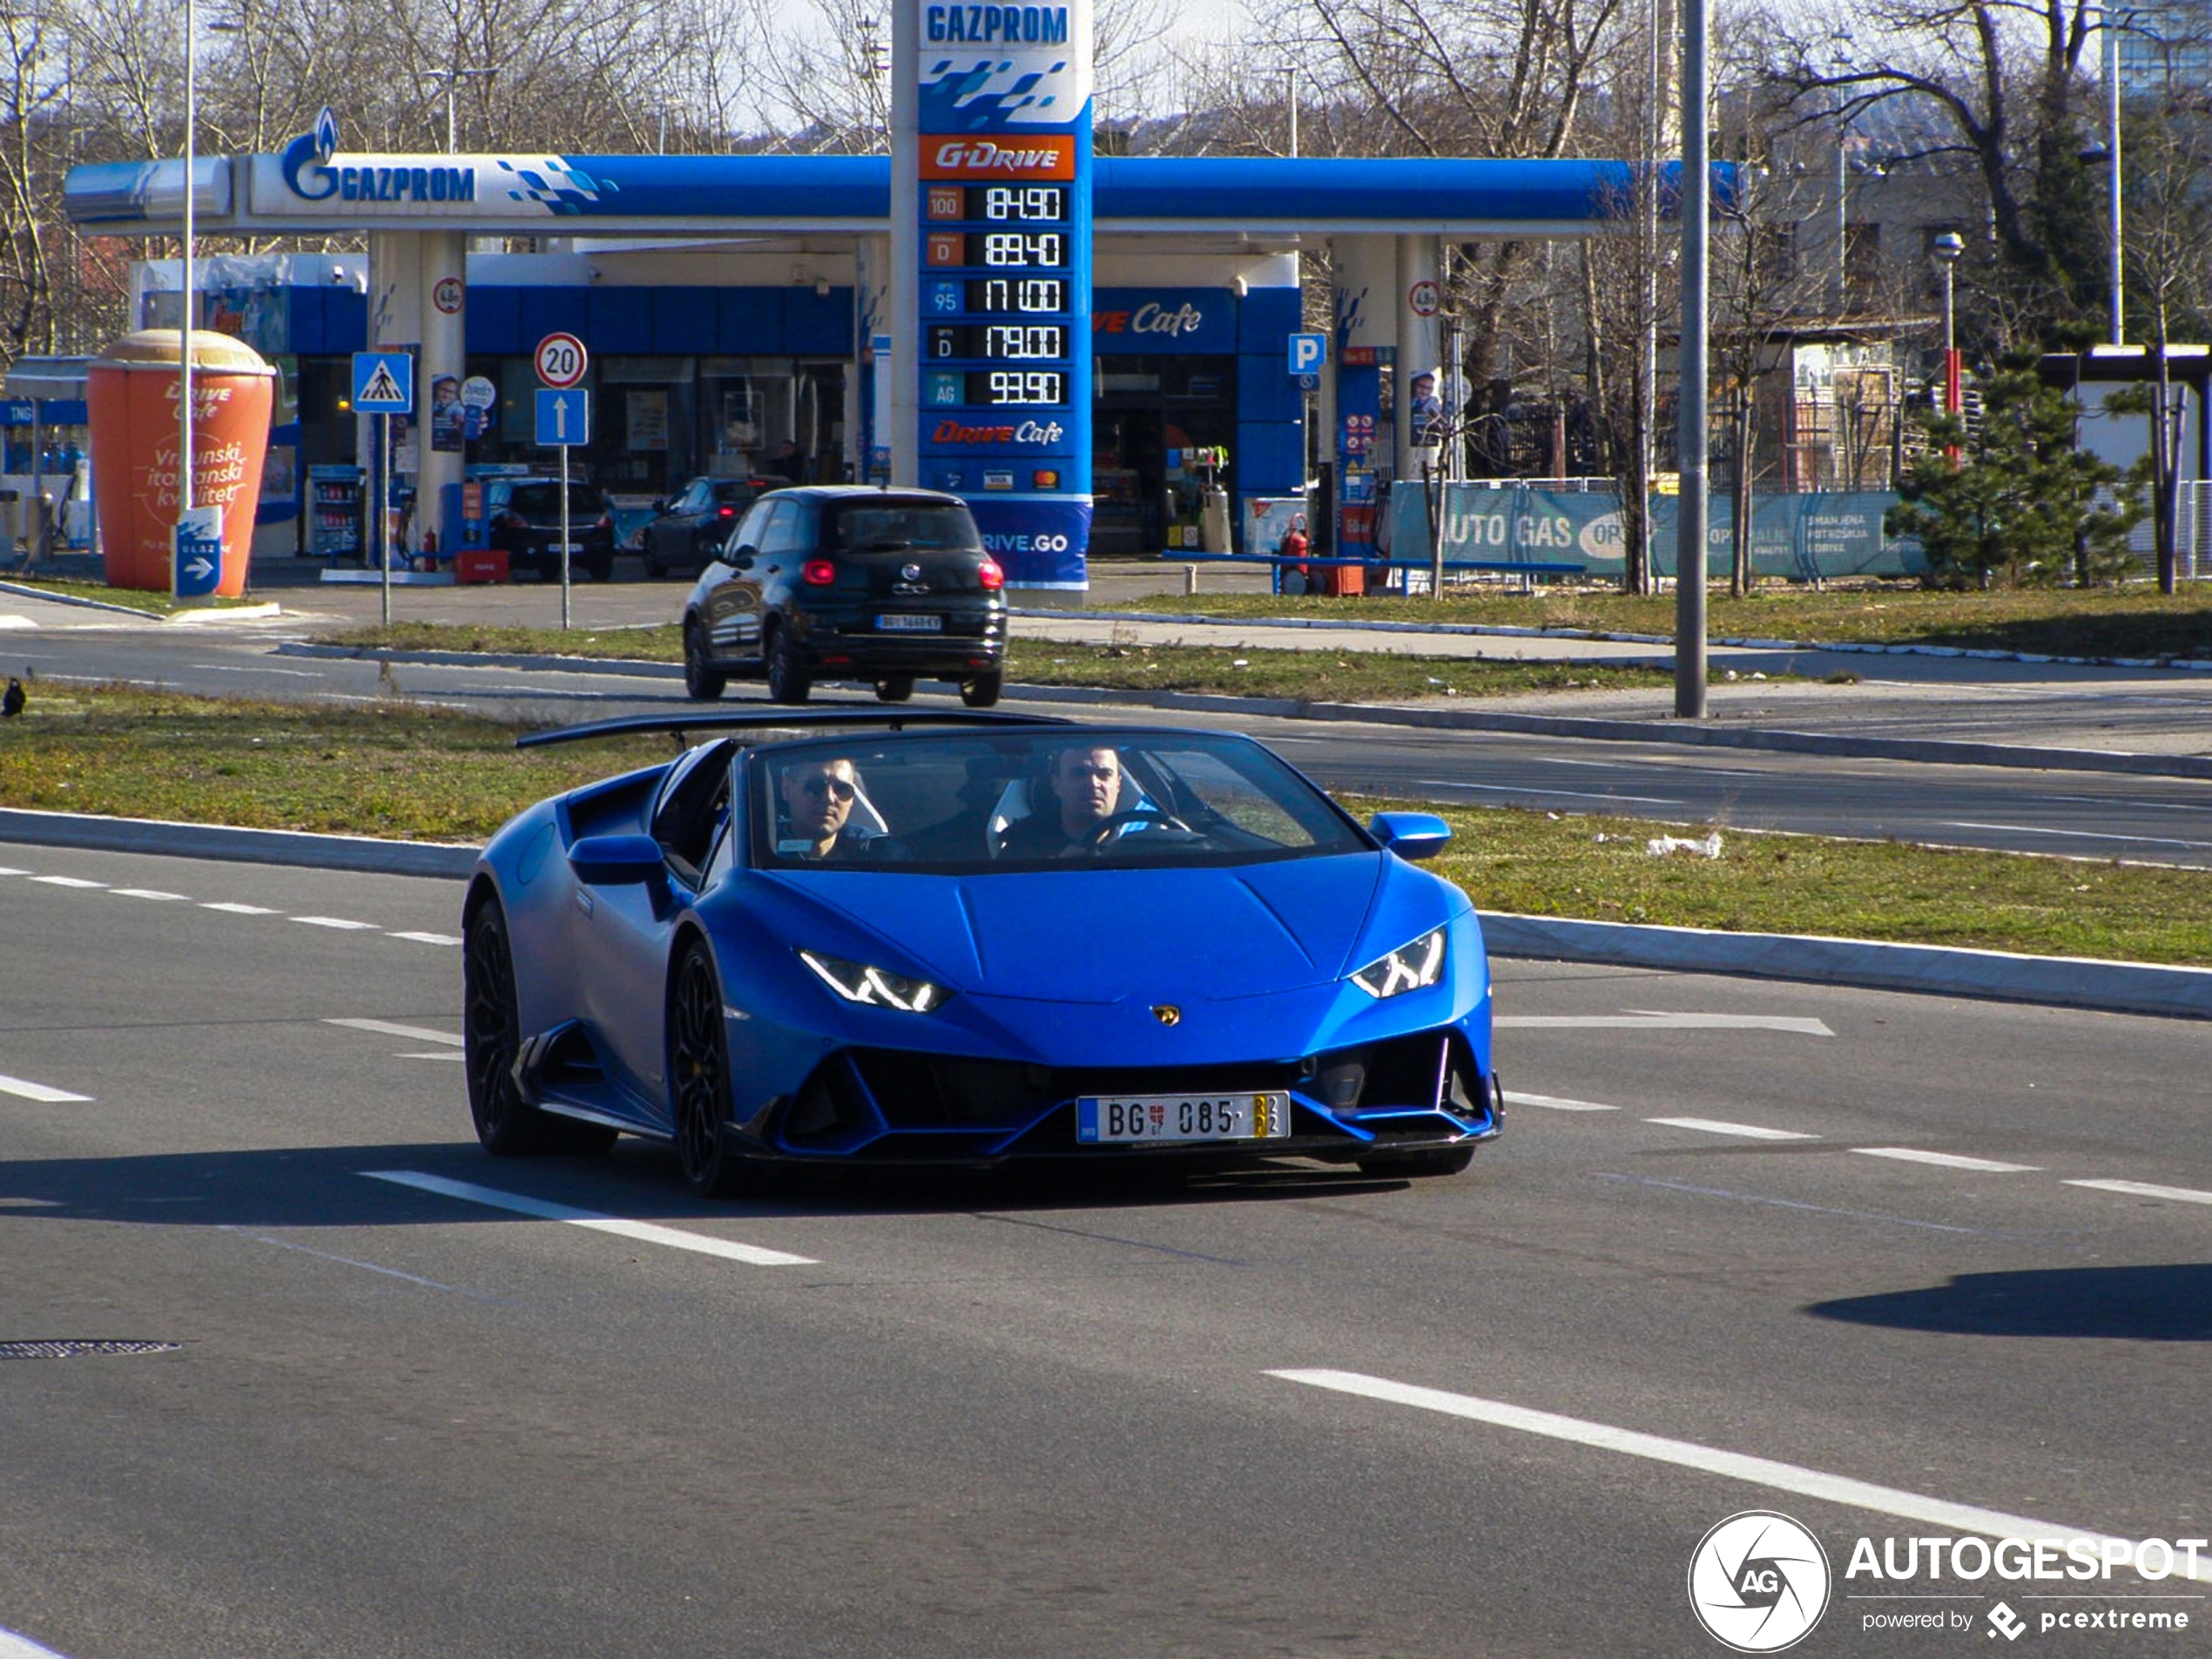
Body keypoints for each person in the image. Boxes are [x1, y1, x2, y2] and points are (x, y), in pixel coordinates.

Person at [997, 744, 1124, 857]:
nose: (1093, 784)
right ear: (1056, 784)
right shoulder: (1024, 848)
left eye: (1104, 774)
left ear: (1118, 784)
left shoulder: (1140, 847)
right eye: (1078, 774)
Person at [777, 755, 894, 860]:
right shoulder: (761, 849)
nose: (829, 799)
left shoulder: (879, 852)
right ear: (786, 789)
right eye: (815, 786)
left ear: (852, 798)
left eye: (842, 789)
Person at [1410, 370, 1445, 448]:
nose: (1425, 391)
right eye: (1421, 386)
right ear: (1414, 385)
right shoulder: (1406, 402)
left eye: (1429, 388)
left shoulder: (1434, 406)